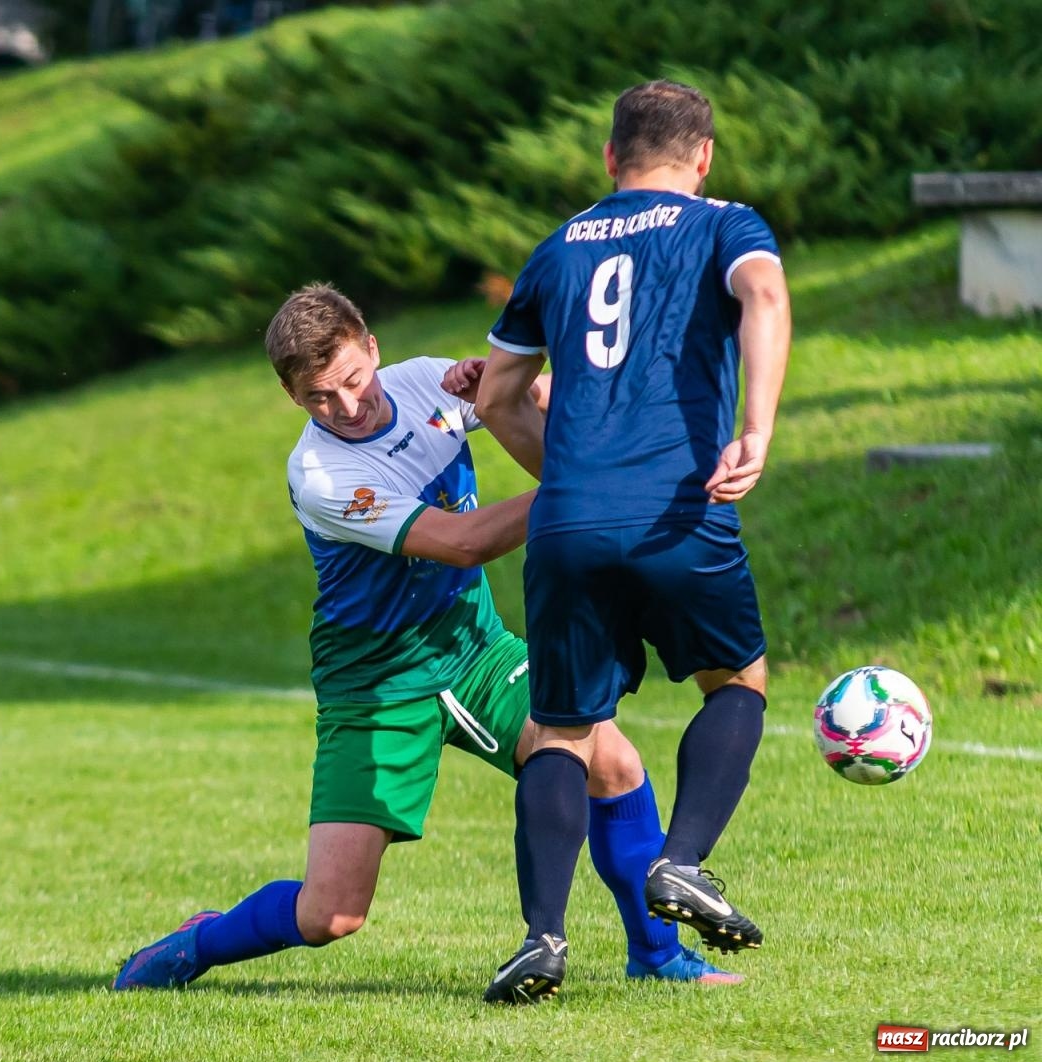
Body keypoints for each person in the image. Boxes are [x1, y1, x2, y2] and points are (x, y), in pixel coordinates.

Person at [113, 283, 740, 997]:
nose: (347, 406)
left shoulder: (418, 383)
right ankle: (200, 942)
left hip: (477, 651)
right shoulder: (321, 473)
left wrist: (518, 387)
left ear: (373, 349)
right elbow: (466, 543)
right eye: (320, 397)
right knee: (332, 914)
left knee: (615, 763)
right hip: (379, 687)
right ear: (293, 397)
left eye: (352, 379)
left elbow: (532, 398)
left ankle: (657, 957)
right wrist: (586, 490)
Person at [458, 79, 791, 1004]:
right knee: (739, 680)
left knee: (561, 730)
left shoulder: (558, 247)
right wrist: (756, 428)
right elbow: (762, 294)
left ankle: (542, 936)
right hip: (677, 507)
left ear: (609, 159)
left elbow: (495, 397)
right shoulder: (725, 225)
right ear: (704, 156)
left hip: (567, 519)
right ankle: (681, 860)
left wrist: (563, 481)